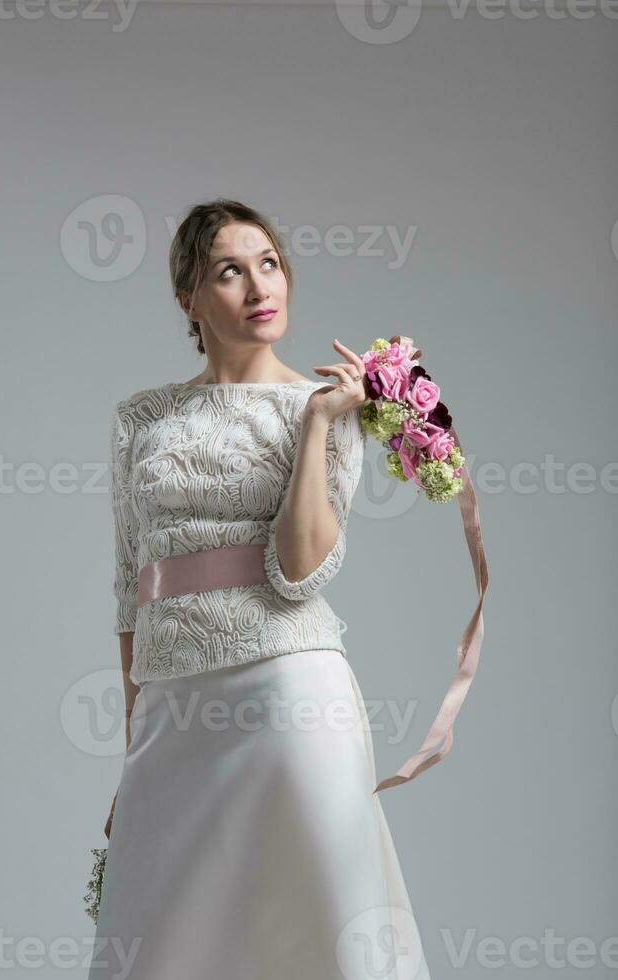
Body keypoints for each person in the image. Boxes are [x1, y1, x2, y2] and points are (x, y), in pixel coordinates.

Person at [88, 198, 432, 980]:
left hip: (289, 694)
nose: (258, 286)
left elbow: (298, 571)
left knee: (319, 924)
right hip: (173, 706)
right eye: (229, 271)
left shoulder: (326, 409)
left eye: (270, 264)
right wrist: (132, 745)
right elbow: (127, 587)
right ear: (189, 300)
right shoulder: (140, 418)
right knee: (158, 943)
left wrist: (317, 427)